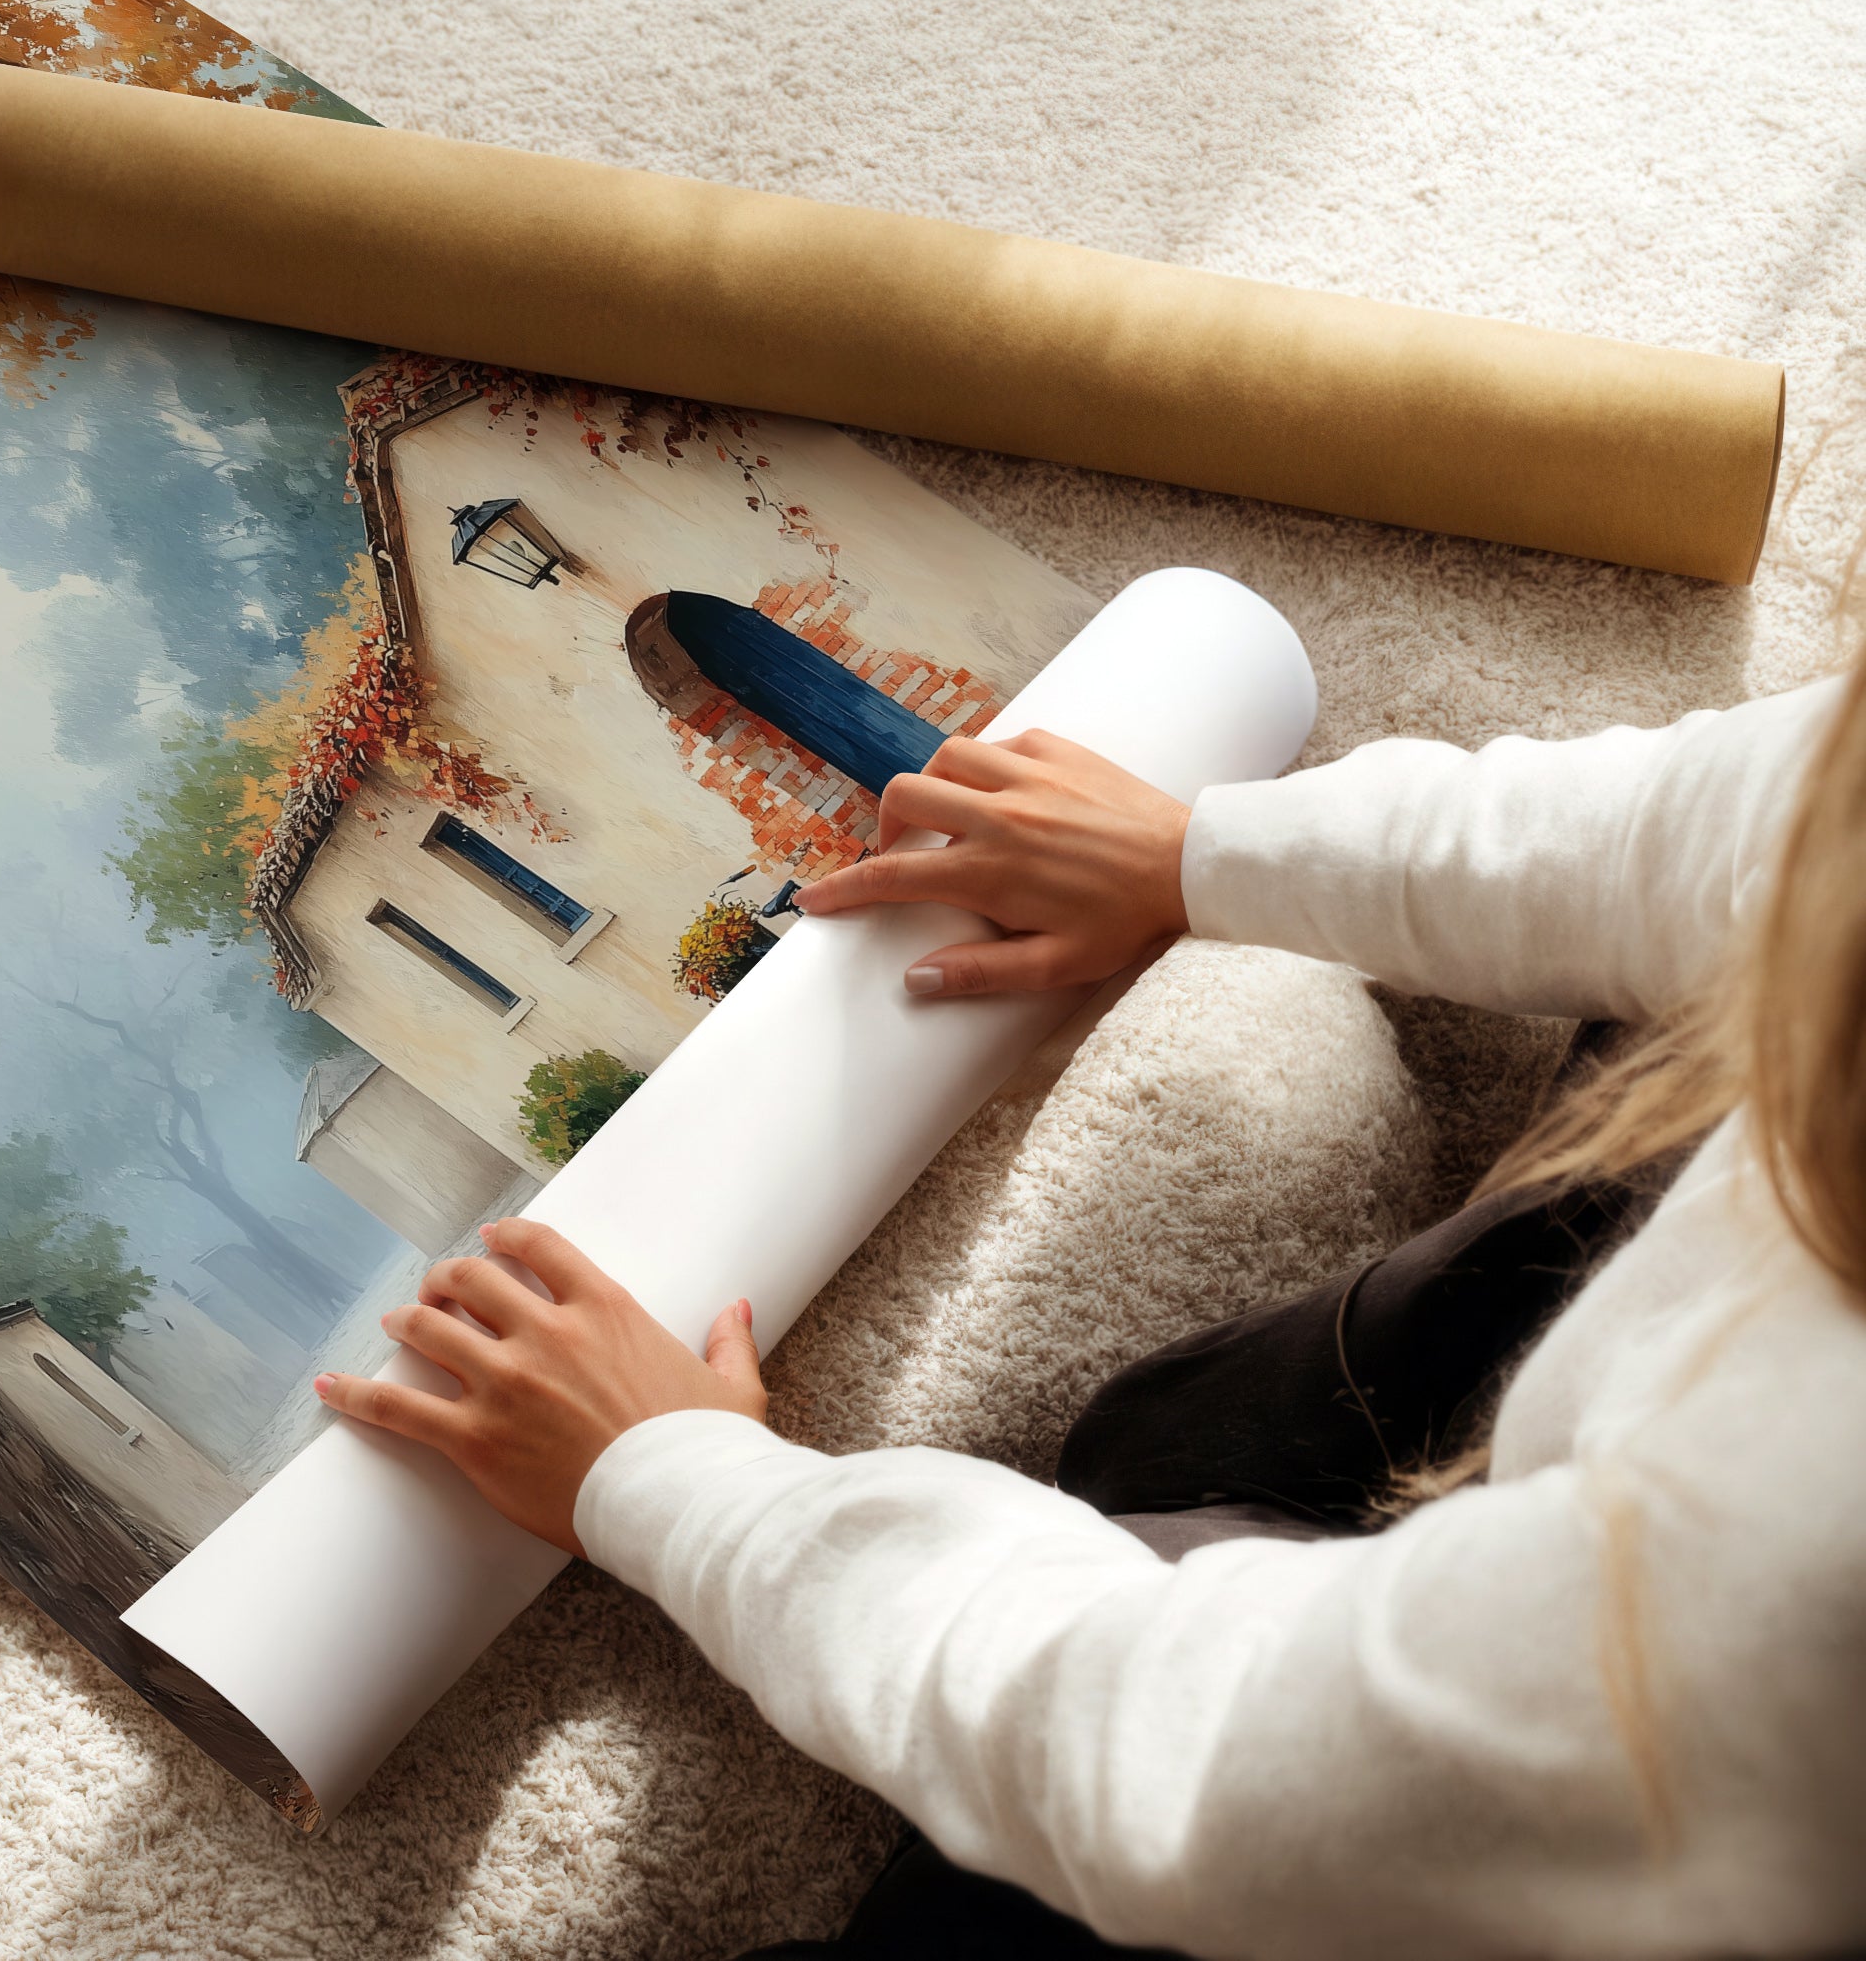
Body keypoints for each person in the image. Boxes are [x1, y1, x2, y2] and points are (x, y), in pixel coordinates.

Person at [315, 677, 1866, 1958]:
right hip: (1630, 1476)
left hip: (1620, 1803)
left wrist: (675, 1483)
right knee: (1167, 1438)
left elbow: (1202, 1765)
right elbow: (1741, 821)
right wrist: (1197, 853)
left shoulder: (1792, 1579)